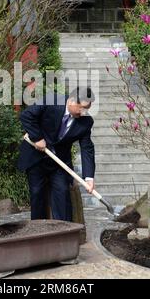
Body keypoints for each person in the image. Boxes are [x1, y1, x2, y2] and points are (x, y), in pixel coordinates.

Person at [18, 86, 96, 222]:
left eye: (86, 109)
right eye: (82, 107)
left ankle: (64, 232)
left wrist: (89, 177)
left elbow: (87, 148)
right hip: (36, 159)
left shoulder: (85, 122)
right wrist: (37, 138)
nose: (83, 112)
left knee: (62, 193)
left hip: (59, 163)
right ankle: (38, 231)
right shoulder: (52, 100)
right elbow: (26, 115)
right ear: (72, 101)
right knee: (37, 193)